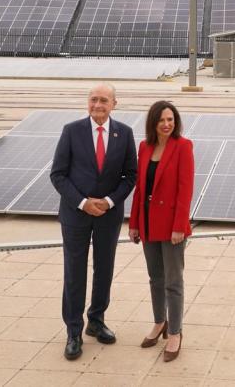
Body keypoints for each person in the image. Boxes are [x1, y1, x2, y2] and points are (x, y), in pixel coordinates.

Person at [50, 83, 137, 360]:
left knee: (104, 270)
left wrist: (109, 202)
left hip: (108, 216)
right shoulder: (71, 131)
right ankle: (73, 330)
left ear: (114, 104)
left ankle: (96, 320)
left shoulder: (124, 133)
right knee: (74, 272)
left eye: (103, 100)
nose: (97, 105)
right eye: (93, 100)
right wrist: (83, 202)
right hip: (76, 214)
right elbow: (58, 175)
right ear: (87, 103)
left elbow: (130, 176)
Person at [129, 100, 194, 363]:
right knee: (155, 278)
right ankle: (159, 322)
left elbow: (185, 189)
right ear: (153, 123)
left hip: (171, 226)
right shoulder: (144, 147)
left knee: (173, 281)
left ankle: (176, 332)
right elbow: (139, 189)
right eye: (162, 120)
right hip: (147, 223)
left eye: (171, 119)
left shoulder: (183, 146)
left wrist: (180, 225)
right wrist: (133, 223)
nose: (167, 124)